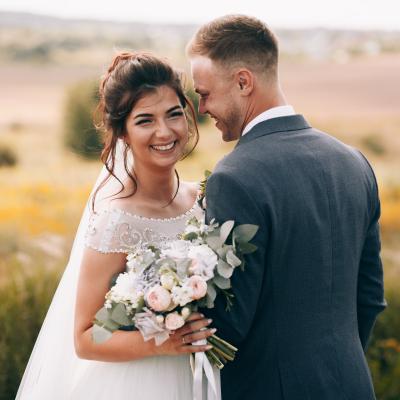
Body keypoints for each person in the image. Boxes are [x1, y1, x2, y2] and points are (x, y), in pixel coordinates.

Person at [187, 14, 386, 400]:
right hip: (352, 385)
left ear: (243, 82)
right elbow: (370, 297)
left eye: (205, 93)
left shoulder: (234, 177)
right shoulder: (354, 161)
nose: (201, 107)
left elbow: (227, 324)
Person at [16, 52, 216, 400]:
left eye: (174, 114)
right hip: (139, 383)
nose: (164, 131)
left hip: (200, 375)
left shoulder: (200, 201)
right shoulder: (115, 220)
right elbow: (85, 337)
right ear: (122, 133)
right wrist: (163, 342)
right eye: (145, 120)